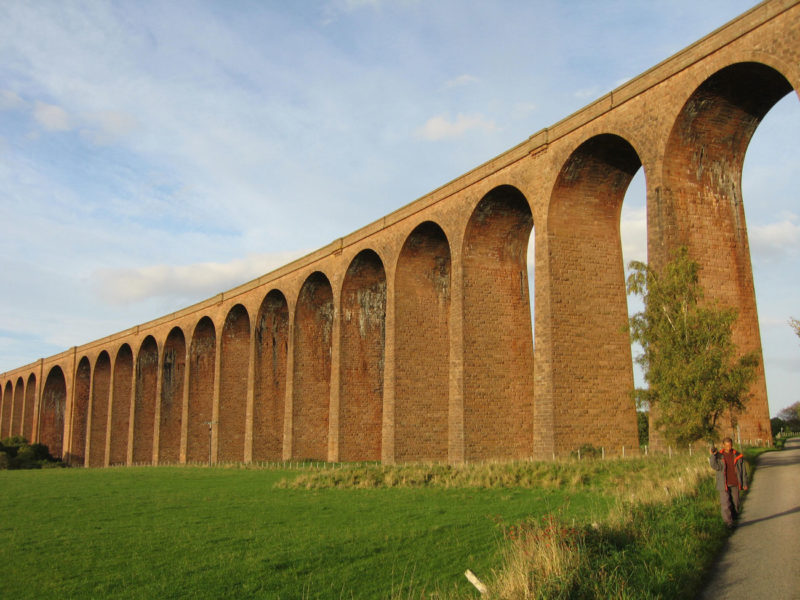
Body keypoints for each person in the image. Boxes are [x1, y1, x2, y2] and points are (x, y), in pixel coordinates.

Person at [709, 437, 749, 528]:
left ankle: (734, 519)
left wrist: (745, 483)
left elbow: (743, 470)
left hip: (735, 482)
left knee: (736, 503)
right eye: (726, 445)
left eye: (730, 445)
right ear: (723, 445)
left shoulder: (738, 456)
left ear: (732, 445)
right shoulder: (719, 455)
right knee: (725, 504)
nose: (728, 447)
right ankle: (729, 523)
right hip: (723, 484)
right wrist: (712, 456)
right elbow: (714, 466)